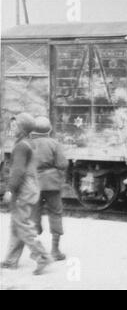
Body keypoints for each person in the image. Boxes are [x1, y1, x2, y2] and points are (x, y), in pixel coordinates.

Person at [0, 113, 52, 276]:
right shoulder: (27, 143)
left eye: (15, 126)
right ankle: (10, 261)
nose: (11, 128)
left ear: (22, 129)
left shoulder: (21, 146)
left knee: (22, 225)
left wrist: (10, 189)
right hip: (30, 187)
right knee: (17, 224)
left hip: (23, 189)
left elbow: (18, 171)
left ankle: (42, 256)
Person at [31, 116, 69, 261]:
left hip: (34, 184)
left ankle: (36, 250)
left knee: (34, 214)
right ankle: (55, 250)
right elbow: (63, 164)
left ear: (34, 130)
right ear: (49, 130)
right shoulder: (54, 143)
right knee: (55, 214)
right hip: (52, 184)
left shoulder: (28, 144)